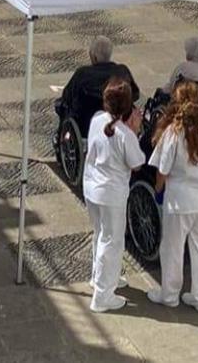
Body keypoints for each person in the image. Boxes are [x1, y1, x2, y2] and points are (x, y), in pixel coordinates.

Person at [147, 81, 198, 314]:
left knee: (172, 248)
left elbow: (163, 169)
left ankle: (170, 294)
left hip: (181, 199)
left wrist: (158, 189)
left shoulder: (173, 131)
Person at [83, 79, 144, 313]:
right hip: (112, 194)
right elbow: (137, 163)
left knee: (100, 234)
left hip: (92, 186)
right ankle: (103, 295)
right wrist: (135, 131)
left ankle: (100, 277)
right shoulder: (125, 135)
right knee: (112, 241)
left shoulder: (97, 120)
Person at [59, 36, 139, 128]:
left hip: (86, 124)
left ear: (94, 57)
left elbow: (67, 96)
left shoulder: (82, 74)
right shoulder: (122, 71)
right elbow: (135, 94)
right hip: (120, 122)